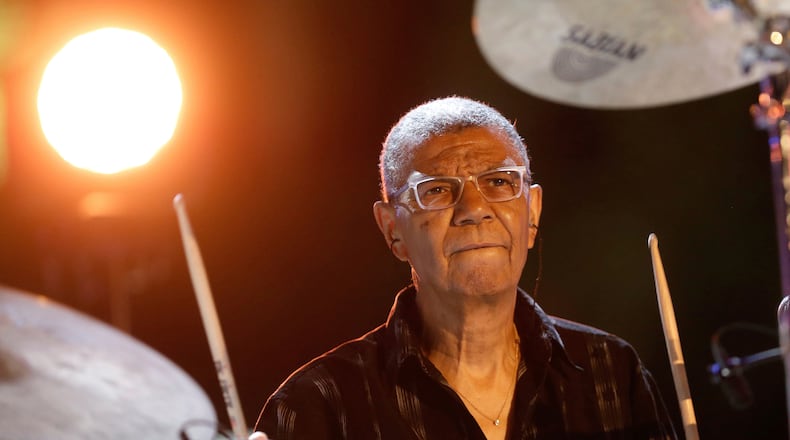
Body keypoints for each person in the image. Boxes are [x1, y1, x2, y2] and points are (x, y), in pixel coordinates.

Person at [252, 97, 677, 439]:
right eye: (436, 190)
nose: (473, 210)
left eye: (498, 182)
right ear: (392, 230)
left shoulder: (612, 374)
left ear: (532, 213)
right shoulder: (319, 408)